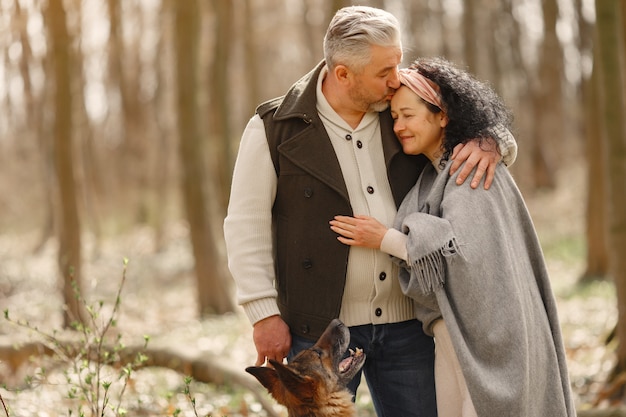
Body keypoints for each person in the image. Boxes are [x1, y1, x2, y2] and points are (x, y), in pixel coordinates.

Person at [223, 6, 518, 416]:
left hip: (408, 324)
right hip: (318, 333)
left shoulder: (401, 109)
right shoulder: (275, 127)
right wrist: (262, 313)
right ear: (343, 73)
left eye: (397, 63)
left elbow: (467, 119)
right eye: (384, 71)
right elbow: (245, 224)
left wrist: (494, 142)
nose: (396, 79)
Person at [329, 57, 576, 417]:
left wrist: (384, 238)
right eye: (394, 117)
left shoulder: (469, 170)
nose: (399, 126)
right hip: (451, 343)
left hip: (489, 347)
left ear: (443, 115)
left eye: (408, 115)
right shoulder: (433, 175)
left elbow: (462, 255)